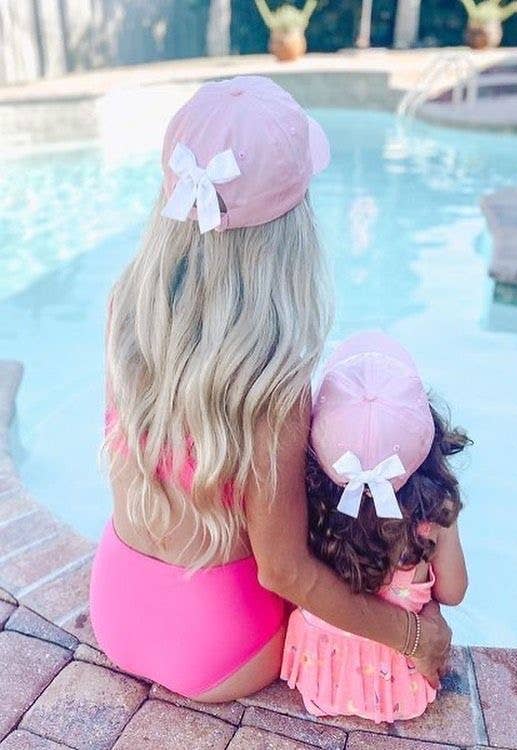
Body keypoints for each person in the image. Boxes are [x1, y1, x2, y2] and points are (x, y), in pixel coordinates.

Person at [89, 74, 452, 704]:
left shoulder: (128, 308)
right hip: (215, 648)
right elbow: (284, 570)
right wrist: (412, 635)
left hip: (116, 607)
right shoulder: (273, 380)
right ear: (288, 234)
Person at [282, 331, 469, 723]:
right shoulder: (436, 511)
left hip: (319, 676)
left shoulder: (306, 496)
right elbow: (453, 592)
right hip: (399, 687)